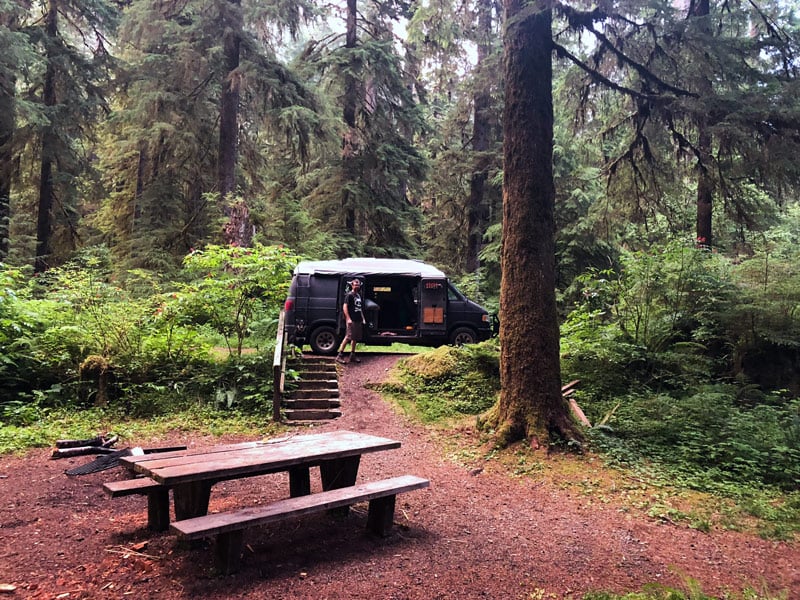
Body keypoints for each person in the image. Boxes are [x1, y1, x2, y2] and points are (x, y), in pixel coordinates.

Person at [336, 279, 366, 364]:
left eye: (358, 285)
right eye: (355, 285)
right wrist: (348, 318)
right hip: (351, 320)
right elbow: (345, 307)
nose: (357, 286)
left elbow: (359, 308)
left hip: (358, 319)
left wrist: (363, 318)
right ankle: (340, 355)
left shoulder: (358, 296)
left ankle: (352, 355)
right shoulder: (349, 295)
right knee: (348, 337)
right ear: (352, 285)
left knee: (355, 338)